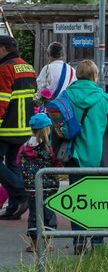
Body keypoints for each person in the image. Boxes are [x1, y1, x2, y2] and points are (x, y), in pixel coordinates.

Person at [62, 60, 108, 253]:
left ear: (77, 75)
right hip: (100, 158)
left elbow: (58, 125)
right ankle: (97, 241)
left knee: (77, 199)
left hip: (75, 156)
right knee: (98, 200)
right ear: (94, 76)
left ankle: (78, 242)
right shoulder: (104, 99)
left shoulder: (66, 96)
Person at [0, 35, 36, 219]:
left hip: (6, 128)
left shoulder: (5, 68)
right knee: (13, 165)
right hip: (24, 128)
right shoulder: (28, 67)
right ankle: (14, 208)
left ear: (4, 48)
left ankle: (21, 193)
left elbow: (1, 101)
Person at [20, 111, 57, 253]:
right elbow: (56, 163)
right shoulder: (49, 148)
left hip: (31, 187)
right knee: (49, 214)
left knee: (34, 213)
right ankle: (47, 242)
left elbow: (18, 162)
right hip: (49, 187)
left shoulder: (25, 146)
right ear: (48, 129)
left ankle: (34, 243)